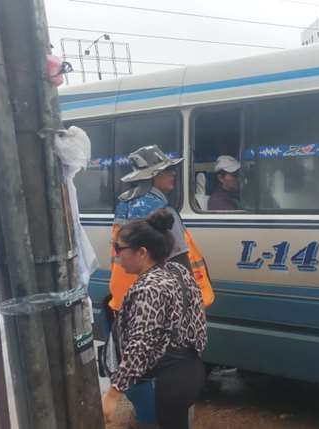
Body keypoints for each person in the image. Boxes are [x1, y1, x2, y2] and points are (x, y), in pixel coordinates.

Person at [102, 209, 207, 429]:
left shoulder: (149, 288)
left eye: (119, 248)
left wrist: (113, 394)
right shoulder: (178, 270)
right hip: (191, 371)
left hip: (163, 381)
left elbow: (141, 345)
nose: (117, 255)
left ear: (141, 252)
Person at [109, 145, 214, 312]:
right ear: (152, 176)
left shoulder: (123, 207)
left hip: (126, 299)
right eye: (165, 170)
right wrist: (191, 301)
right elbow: (180, 264)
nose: (172, 173)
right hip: (159, 304)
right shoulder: (164, 212)